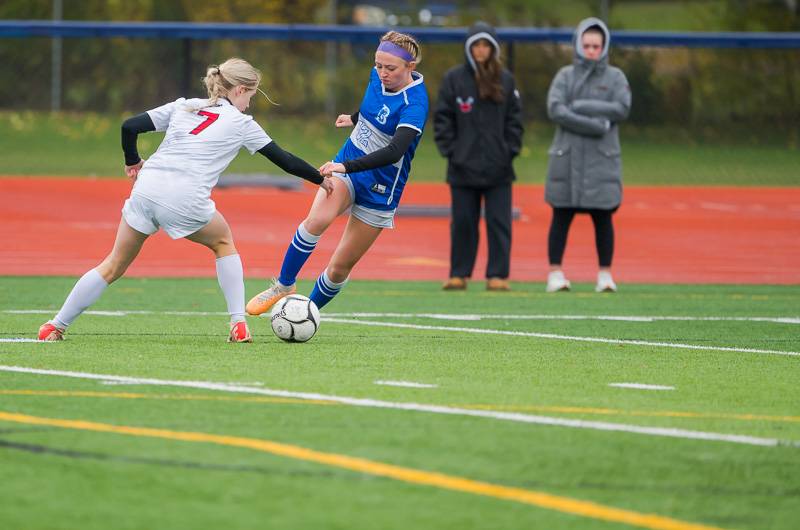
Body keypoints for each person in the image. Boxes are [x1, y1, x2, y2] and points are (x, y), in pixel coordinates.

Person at [37, 57, 333, 342]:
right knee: (223, 243)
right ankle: (238, 324)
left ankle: (55, 325)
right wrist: (320, 179)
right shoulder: (242, 123)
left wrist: (132, 161)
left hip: (147, 188)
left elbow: (129, 126)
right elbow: (285, 160)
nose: (249, 104)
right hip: (184, 197)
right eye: (250, 96)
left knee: (113, 264)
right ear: (240, 90)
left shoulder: (186, 106)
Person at [245, 31, 428, 315]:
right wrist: (355, 118)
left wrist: (345, 166)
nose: (381, 73)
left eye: (390, 68)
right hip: (347, 169)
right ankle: (283, 285)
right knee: (315, 221)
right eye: (378, 65)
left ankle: (304, 313)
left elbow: (394, 152)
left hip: (380, 188)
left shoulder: (415, 105)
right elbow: (375, 105)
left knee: (341, 265)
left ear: (410, 67)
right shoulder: (377, 76)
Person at [434, 22, 523, 292]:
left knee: (499, 222)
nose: (481, 50)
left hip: (498, 168)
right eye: (476, 45)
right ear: (468, 48)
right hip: (462, 168)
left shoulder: (506, 80)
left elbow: (515, 121)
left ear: (493, 49)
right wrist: (453, 152)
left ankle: (497, 275)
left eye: (486, 45)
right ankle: (459, 273)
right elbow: (442, 119)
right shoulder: (454, 79)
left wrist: (508, 152)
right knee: (462, 223)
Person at [544, 18, 631, 293]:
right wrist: (596, 124)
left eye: (597, 45)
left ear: (604, 47)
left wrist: (579, 106)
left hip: (601, 159)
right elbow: (556, 109)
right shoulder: (564, 76)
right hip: (566, 158)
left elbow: (621, 108)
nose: (592, 50)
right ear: (578, 45)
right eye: (587, 45)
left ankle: (605, 275)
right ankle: (555, 273)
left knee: (603, 217)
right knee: (561, 215)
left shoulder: (616, 77)